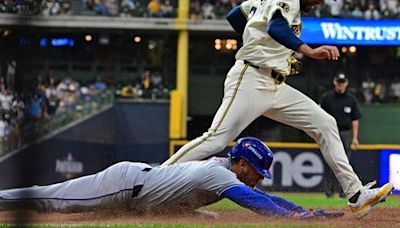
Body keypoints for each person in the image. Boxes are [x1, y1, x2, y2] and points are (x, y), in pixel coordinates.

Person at [161, 0, 394, 218]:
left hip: (276, 85)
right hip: (250, 79)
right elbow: (275, 27)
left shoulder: (265, 2)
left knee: (325, 123)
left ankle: (355, 194)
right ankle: (153, 180)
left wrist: (258, 40)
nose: (320, 2)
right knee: (215, 139)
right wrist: (307, 50)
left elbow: (235, 15)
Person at [0, 137, 343, 219]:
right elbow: (259, 203)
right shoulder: (216, 173)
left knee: (205, 219)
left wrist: (305, 212)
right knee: (52, 199)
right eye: (256, 171)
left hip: (145, 198)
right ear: (240, 163)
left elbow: (269, 199)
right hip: (125, 185)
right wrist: (294, 216)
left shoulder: (225, 173)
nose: (260, 178)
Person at [320, 73, 362, 198]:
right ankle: (329, 191)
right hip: (330, 132)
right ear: (334, 82)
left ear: (346, 83)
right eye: (339, 82)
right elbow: (320, 117)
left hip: (345, 133)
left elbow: (355, 119)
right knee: (329, 161)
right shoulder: (326, 98)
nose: (340, 84)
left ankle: (344, 191)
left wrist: (355, 138)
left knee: (344, 163)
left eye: (342, 82)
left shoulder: (351, 99)